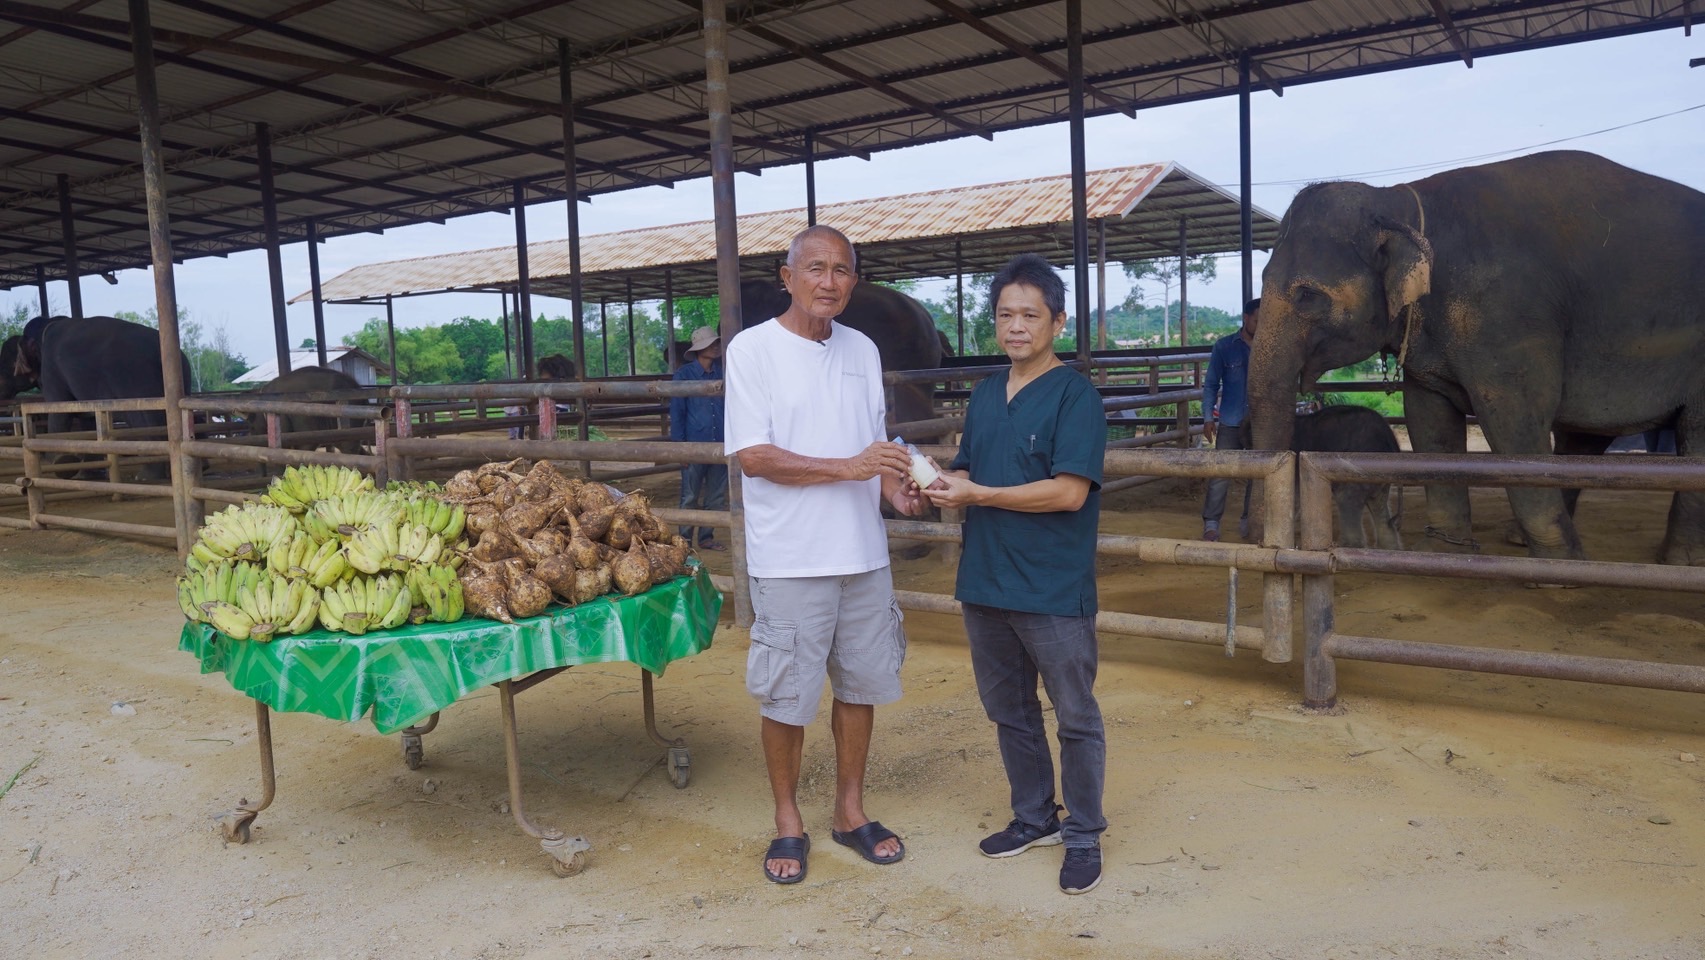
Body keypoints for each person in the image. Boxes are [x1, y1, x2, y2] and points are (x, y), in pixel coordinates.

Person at [723, 224, 927, 885]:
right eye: (815, 268)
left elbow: (873, 447)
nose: (828, 281)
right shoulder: (753, 350)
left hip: (863, 554)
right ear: (788, 278)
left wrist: (896, 490)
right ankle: (787, 819)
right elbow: (755, 457)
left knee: (860, 686)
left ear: (853, 282)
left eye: (841, 270)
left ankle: (848, 810)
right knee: (786, 697)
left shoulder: (861, 349)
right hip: (790, 559)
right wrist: (851, 468)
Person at [921, 253, 1109, 896]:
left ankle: (1083, 832)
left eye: (1030, 315)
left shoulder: (1075, 396)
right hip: (987, 578)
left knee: (1075, 714)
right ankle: (1034, 816)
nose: (1017, 326)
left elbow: (1069, 492)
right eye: (1005, 315)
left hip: (1051, 584)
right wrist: (939, 481)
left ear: (1058, 321)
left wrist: (978, 494)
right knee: (1010, 710)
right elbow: (971, 467)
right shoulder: (984, 394)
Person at [1200, 297, 1261, 542]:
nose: (1260, 326)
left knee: (1257, 474)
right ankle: (1211, 523)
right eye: (1257, 320)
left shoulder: (1270, 348)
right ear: (1245, 318)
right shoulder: (1224, 346)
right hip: (1231, 421)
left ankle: (1249, 520)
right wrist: (1208, 417)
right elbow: (1211, 384)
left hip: (1259, 424)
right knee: (1220, 473)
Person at [669, 326, 727, 551]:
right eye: (711, 344)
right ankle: (684, 541)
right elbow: (677, 413)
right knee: (690, 495)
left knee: (716, 496)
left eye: (716, 343)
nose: (715, 347)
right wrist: (680, 447)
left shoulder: (722, 372)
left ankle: (706, 537)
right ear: (699, 349)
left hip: (719, 444)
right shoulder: (683, 375)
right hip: (693, 445)